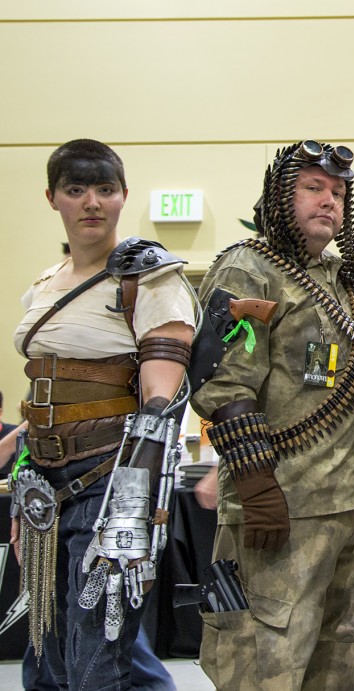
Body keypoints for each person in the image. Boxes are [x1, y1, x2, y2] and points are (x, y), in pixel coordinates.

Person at [189, 140, 354, 691]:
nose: (329, 200)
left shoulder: (342, 283)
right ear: (281, 197)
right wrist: (256, 488)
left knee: (337, 666)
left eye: (338, 192)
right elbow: (222, 382)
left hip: (344, 506)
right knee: (264, 664)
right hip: (280, 509)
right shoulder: (248, 270)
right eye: (313, 188)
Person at [10, 138, 197, 690]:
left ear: (123, 197)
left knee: (97, 655)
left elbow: (161, 398)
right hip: (44, 477)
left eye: (105, 189)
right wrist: (26, 484)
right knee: (47, 652)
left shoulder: (149, 279)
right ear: (52, 198)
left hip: (109, 479)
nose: (91, 202)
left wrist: (131, 505)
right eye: (76, 189)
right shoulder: (45, 283)